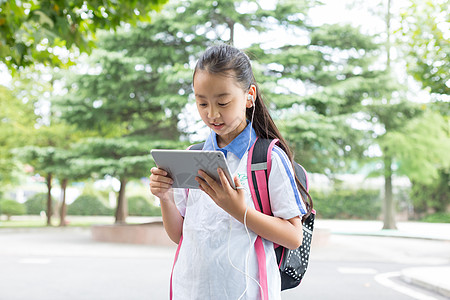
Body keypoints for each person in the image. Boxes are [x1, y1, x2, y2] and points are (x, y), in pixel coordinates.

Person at [149, 44, 308, 300]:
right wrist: (165, 198)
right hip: (190, 290)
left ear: (249, 96)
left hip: (246, 292)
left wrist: (239, 211)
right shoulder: (192, 156)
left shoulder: (267, 158)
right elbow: (180, 234)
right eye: (202, 103)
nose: (212, 114)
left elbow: (293, 236)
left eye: (223, 102)